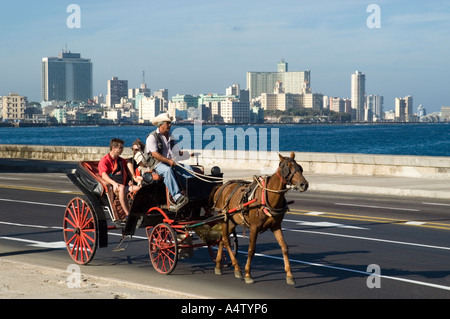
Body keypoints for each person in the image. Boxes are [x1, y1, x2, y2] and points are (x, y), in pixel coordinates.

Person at [145, 113, 193, 210]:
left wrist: (186, 154)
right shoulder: (152, 137)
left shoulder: (171, 136)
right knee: (167, 171)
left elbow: (176, 151)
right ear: (160, 124)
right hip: (157, 164)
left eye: (170, 123)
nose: (170, 125)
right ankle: (177, 196)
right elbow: (154, 154)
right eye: (167, 123)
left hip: (170, 162)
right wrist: (168, 161)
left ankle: (191, 191)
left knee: (188, 169)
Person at [98, 138, 138, 218]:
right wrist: (114, 183)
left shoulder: (122, 161)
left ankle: (138, 211)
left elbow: (127, 173)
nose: (122, 150)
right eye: (120, 148)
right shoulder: (105, 160)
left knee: (138, 189)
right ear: (113, 148)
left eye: (122, 148)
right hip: (113, 187)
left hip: (124, 185)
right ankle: (127, 214)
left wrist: (131, 180)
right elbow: (103, 175)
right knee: (122, 188)